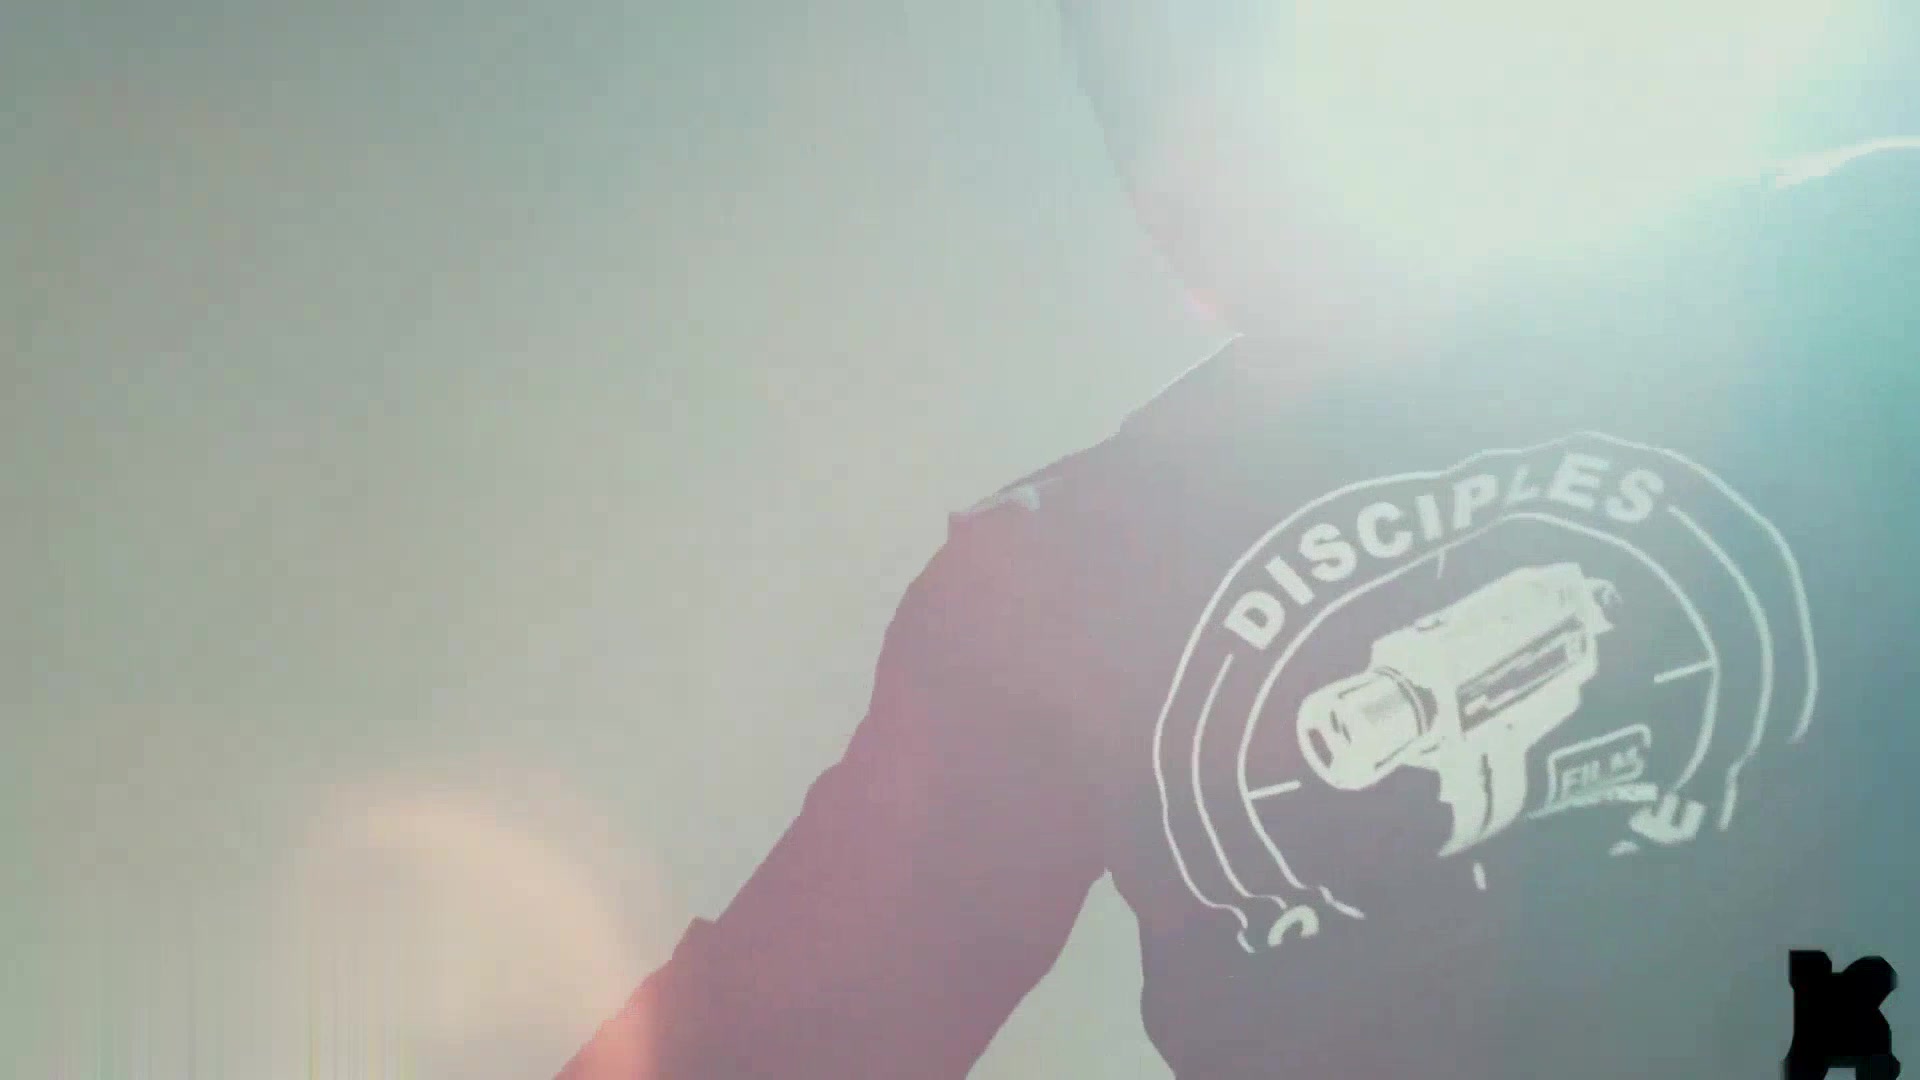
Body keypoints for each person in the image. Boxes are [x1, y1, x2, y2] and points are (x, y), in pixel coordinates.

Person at [557, 6, 1917, 1077]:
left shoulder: (1847, 262)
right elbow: (789, 1024)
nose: (1208, 137)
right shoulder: (1054, 571)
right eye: (1141, 89)